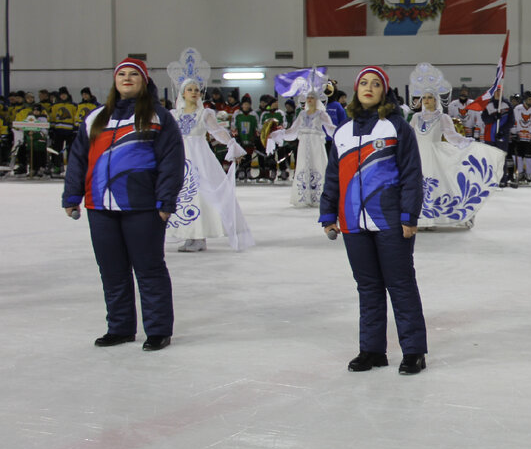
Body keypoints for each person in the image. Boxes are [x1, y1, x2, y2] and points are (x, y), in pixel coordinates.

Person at [62, 57, 184, 351]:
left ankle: (157, 330)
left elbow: (171, 161)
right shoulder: (95, 119)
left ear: (144, 81)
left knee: (149, 269)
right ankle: (119, 327)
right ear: (115, 82)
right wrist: (72, 195)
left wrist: (166, 201)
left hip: (142, 207)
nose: (127, 78)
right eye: (122, 74)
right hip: (100, 207)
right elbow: (78, 159)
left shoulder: (158, 117)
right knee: (112, 271)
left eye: (134, 74)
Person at [319, 66, 427, 374]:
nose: (369, 87)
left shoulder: (395, 127)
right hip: (353, 222)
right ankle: (372, 350)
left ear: (385, 91)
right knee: (367, 286)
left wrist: (409, 215)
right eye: (363, 83)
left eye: (375, 84)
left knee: (401, 285)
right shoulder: (342, 132)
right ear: (356, 90)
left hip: (390, 220)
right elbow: (333, 178)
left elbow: (411, 174)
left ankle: (414, 350)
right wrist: (328, 212)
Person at [165, 48, 254, 252]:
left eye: (197, 90)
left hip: (199, 158)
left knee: (201, 194)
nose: (195, 93)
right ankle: (190, 233)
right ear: (182, 93)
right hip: (179, 157)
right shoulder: (173, 114)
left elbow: (217, 132)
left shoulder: (204, 113)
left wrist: (232, 145)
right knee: (182, 193)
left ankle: (199, 236)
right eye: (191, 90)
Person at [408, 62, 505, 227]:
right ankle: (421, 218)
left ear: (436, 99)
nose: (426, 101)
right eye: (423, 97)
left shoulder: (442, 118)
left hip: (434, 156)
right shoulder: (416, 118)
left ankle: (447, 215)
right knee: (417, 186)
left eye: (429, 97)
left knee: (439, 185)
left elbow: (452, 136)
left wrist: (466, 143)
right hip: (418, 157)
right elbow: (409, 136)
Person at [267, 70, 336, 208]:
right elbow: (292, 131)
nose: (309, 100)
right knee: (304, 167)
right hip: (304, 144)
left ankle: (319, 197)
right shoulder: (302, 114)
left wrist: (343, 133)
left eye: (312, 97)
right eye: (308, 97)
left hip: (316, 143)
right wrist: (278, 134)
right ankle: (304, 196)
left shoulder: (321, 114)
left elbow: (330, 128)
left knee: (318, 166)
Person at [512, 91, 531, 184]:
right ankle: (520, 173)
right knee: (518, 156)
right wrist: (514, 133)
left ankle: (528, 175)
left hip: (530, 137)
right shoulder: (517, 109)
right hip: (519, 137)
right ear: (525, 99)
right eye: (529, 99)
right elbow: (514, 121)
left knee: (530, 157)